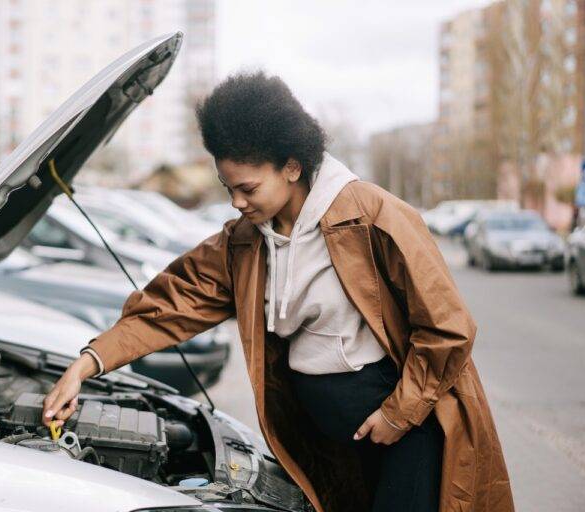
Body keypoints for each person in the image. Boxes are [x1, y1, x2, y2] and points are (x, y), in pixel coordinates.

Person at [41, 71, 514, 512]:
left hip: (403, 437)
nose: (235, 202)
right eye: (227, 187)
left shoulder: (372, 217)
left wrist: (398, 415)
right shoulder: (243, 241)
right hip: (327, 446)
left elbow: (447, 327)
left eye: (247, 187)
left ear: (292, 166)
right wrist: (86, 364)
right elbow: (170, 304)